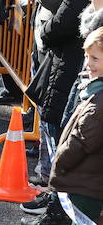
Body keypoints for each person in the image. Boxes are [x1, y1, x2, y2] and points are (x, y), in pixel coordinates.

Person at [47, 26, 103, 224]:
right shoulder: (95, 92)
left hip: (86, 183)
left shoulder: (99, 103)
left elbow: (80, 141)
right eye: (87, 57)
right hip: (88, 180)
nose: (88, 64)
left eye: (95, 59)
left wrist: (59, 164)